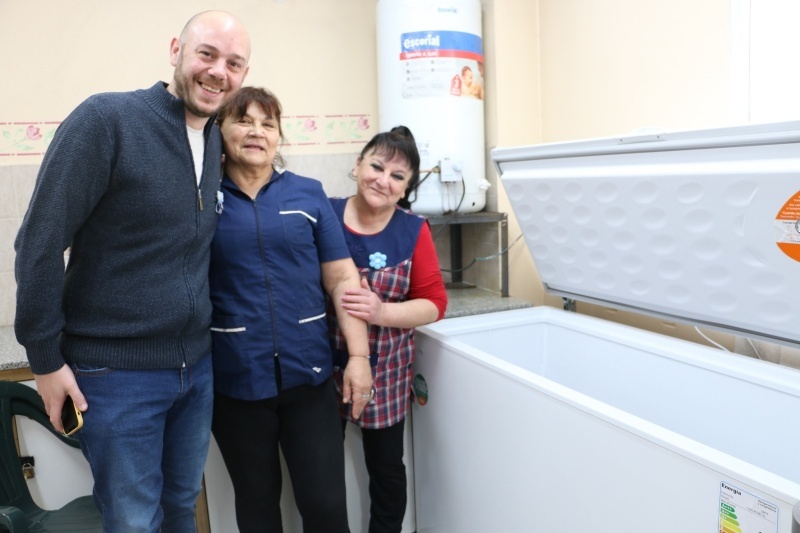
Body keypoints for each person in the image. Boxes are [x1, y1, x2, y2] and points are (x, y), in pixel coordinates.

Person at [13, 11, 251, 532]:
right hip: (116, 374)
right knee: (132, 521)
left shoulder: (213, 139)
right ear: (176, 50)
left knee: (180, 509)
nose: (218, 72)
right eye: (207, 54)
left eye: (234, 63)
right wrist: (45, 361)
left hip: (194, 371)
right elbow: (38, 244)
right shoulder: (106, 121)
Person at [208, 86, 373, 533]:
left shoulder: (307, 193)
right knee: (257, 505)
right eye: (243, 121)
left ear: (279, 136)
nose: (256, 132)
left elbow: (341, 278)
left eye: (268, 124)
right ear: (219, 129)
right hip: (237, 380)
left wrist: (358, 357)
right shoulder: (202, 199)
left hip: (310, 377)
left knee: (324, 505)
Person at [328, 126, 448, 533]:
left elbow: (435, 304)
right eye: (376, 166)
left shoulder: (414, 230)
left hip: (386, 373)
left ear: (406, 188)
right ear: (357, 165)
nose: (384, 180)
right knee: (319, 477)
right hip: (320, 367)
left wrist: (381, 312)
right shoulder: (323, 214)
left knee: (387, 474)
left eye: (397, 176)